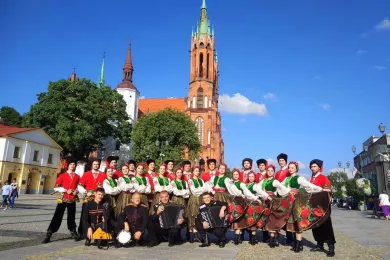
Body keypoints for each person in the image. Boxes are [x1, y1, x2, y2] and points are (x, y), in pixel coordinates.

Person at [283, 161, 327, 253]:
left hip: (297, 201)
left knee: (297, 221)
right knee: (292, 222)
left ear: (296, 169)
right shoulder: (286, 179)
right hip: (289, 202)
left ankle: (299, 243)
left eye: (292, 168)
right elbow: (280, 187)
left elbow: (308, 185)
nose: (290, 169)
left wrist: (319, 189)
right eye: (289, 168)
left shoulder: (299, 178)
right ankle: (297, 243)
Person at [43, 156, 80, 243]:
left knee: (72, 217)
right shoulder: (62, 175)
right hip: (63, 198)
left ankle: (73, 231)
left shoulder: (77, 176)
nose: (72, 166)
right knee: (57, 216)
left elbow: (79, 186)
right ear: (68, 165)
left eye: (74, 164)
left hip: (72, 199)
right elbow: (56, 187)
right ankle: (49, 233)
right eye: (71, 164)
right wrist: (67, 190)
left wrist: (76, 191)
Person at [309, 159, 336, 257]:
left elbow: (328, 190)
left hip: (323, 206)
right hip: (314, 205)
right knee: (315, 226)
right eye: (311, 166)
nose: (313, 168)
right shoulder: (311, 178)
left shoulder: (323, 177)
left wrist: (319, 190)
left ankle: (331, 246)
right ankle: (319, 244)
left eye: (315, 166)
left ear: (319, 167)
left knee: (326, 226)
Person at [77, 158, 107, 239]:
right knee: (85, 215)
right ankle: (82, 232)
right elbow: (80, 185)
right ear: (92, 165)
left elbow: (106, 186)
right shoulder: (86, 174)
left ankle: (98, 232)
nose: (96, 165)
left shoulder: (103, 175)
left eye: (97, 164)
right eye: (94, 164)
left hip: (99, 199)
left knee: (98, 215)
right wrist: (86, 192)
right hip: (88, 198)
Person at [275, 153, 293, 245]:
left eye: (282, 160)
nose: (281, 162)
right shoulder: (277, 173)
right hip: (278, 197)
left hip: (287, 196)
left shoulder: (289, 171)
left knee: (288, 216)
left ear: (286, 161)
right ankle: (276, 237)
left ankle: (289, 237)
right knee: (278, 215)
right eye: (279, 161)